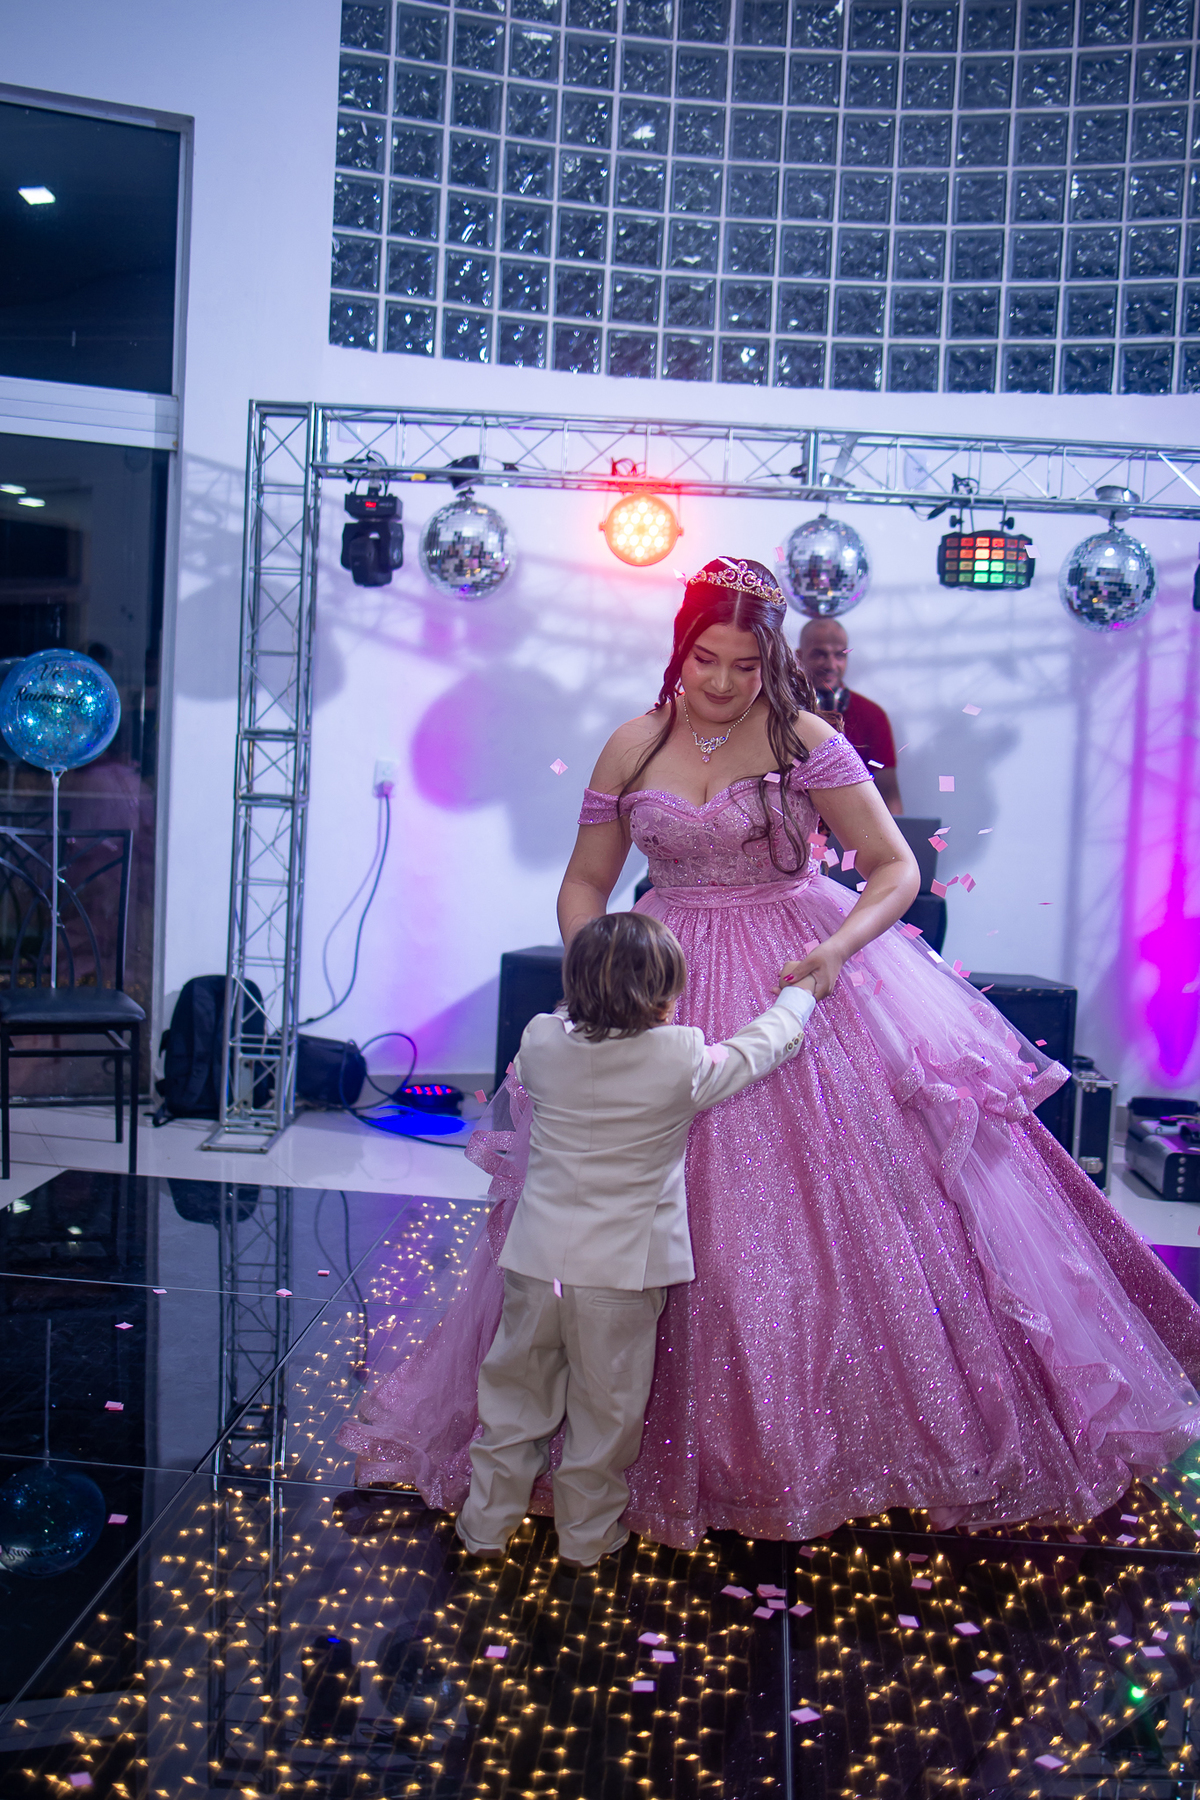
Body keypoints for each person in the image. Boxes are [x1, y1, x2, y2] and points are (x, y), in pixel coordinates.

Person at [340, 555, 1200, 1549]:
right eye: (706, 659)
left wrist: (836, 952)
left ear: (771, 661)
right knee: (621, 1200)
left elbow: (895, 869)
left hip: (796, 965)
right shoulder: (633, 742)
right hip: (660, 973)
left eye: (745, 666)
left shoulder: (806, 741)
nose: (722, 682)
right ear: (680, 649)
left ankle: (816, 1448)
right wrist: (600, 972)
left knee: (825, 1207)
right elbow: (585, 881)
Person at [456, 910, 816, 1569]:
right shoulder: (679, 1057)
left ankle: (484, 1528)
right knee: (606, 1410)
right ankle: (586, 1539)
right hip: (621, 1273)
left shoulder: (540, 1040)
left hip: (537, 1260)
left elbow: (560, 1044)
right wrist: (799, 998)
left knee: (513, 1396)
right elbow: (758, 1049)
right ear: (664, 993)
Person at [797, 615, 904, 815]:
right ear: (799, 657)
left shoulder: (872, 715)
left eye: (840, 655)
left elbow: (889, 794)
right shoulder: (781, 712)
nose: (831, 665)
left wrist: (899, 832)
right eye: (820, 654)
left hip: (854, 828)